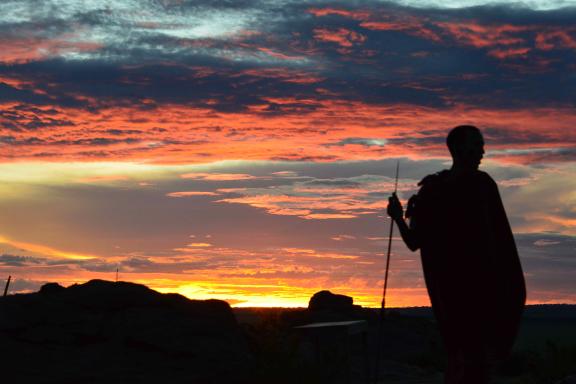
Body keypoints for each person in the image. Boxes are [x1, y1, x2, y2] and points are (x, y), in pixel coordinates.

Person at [387, 125, 526, 384]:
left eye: (481, 144)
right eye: (477, 144)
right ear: (459, 148)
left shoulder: (481, 185)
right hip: (455, 293)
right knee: (467, 360)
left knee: (473, 361)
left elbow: (499, 241)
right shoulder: (435, 190)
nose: (482, 150)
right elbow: (415, 242)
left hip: (483, 289)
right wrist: (398, 218)